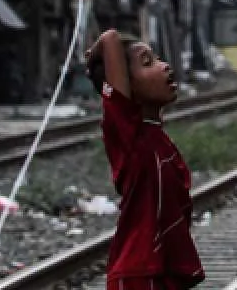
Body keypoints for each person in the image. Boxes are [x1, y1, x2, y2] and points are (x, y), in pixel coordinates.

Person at [85, 29, 204, 290]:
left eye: (158, 59)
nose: (165, 67)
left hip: (162, 271)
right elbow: (111, 39)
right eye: (148, 62)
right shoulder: (131, 136)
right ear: (127, 86)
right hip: (140, 275)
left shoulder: (156, 136)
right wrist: (94, 55)